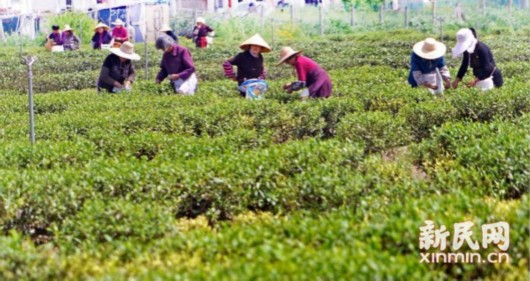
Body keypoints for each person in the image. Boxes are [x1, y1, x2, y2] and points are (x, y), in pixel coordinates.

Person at [222, 34, 270, 98]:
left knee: (261, 90)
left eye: (258, 46)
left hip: (256, 83)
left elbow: (262, 68)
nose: (256, 47)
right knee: (254, 97)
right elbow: (227, 63)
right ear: (250, 46)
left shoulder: (260, 57)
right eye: (254, 45)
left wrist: (262, 77)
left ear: (261, 48)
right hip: (245, 83)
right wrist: (232, 76)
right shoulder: (242, 56)